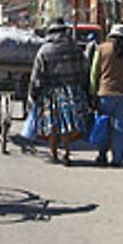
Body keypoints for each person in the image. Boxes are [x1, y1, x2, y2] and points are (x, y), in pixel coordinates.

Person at [28, 18, 91, 165]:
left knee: (52, 126)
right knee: (67, 125)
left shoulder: (44, 50)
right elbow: (84, 70)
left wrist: (33, 94)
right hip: (72, 92)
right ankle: (66, 152)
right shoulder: (75, 48)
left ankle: (53, 153)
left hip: (50, 93)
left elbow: (37, 75)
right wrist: (84, 90)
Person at [89, 22, 123, 167]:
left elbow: (94, 72)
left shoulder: (102, 49)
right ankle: (117, 158)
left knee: (103, 124)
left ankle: (102, 155)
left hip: (105, 92)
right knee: (119, 127)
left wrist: (92, 92)